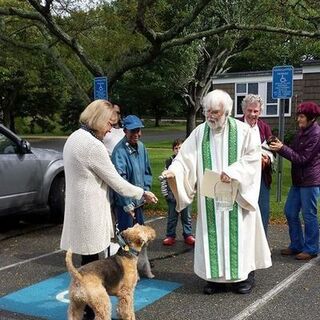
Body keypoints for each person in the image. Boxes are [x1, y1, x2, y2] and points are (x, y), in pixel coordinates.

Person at [162, 89, 271, 295]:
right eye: (207, 112)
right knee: (212, 233)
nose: (210, 116)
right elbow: (185, 159)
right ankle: (215, 279)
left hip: (237, 197)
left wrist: (233, 172)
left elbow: (253, 158)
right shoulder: (199, 133)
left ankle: (244, 277)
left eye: (215, 113)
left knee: (241, 235)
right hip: (210, 198)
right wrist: (174, 172)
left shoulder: (243, 131)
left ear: (227, 112)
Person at [60, 100, 158, 264]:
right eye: (109, 123)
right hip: (91, 210)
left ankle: (90, 285)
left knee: (87, 258)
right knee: (92, 260)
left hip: (76, 207)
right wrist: (142, 193)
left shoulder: (73, 137)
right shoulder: (93, 146)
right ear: (98, 120)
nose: (111, 129)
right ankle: (93, 288)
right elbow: (116, 181)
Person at [269, 101, 320, 260]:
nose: (298, 119)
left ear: (311, 118)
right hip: (298, 180)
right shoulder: (302, 132)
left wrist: (282, 148)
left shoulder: (316, 134)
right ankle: (297, 245)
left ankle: (311, 248)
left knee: (308, 214)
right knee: (290, 211)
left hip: (310, 181)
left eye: (302, 116)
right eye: (298, 116)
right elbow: (293, 151)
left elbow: (303, 159)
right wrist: (279, 145)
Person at [111, 115, 152, 231]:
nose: (136, 134)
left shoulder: (141, 147)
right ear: (125, 131)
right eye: (132, 131)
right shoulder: (119, 152)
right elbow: (120, 181)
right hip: (125, 205)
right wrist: (127, 204)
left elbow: (147, 172)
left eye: (138, 130)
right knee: (127, 238)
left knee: (140, 236)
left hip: (139, 201)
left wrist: (146, 192)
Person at [241, 94, 274, 235]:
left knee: (262, 211)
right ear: (244, 110)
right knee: (243, 211)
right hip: (241, 177)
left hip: (261, 176)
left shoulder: (264, 127)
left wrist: (267, 158)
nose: (252, 114)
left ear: (260, 112)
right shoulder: (236, 126)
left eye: (256, 111)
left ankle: (262, 249)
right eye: (249, 110)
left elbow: (271, 149)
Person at [161, 138, 195, 246]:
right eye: (176, 148)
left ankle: (188, 234)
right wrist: (166, 194)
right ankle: (170, 235)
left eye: (180, 148)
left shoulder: (188, 161)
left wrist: (191, 193)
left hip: (185, 194)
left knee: (186, 217)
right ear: (173, 150)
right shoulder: (169, 161)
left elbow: (192, 177)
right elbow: (164, 178)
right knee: (172, 217)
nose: (178, 150)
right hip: (172, 195)